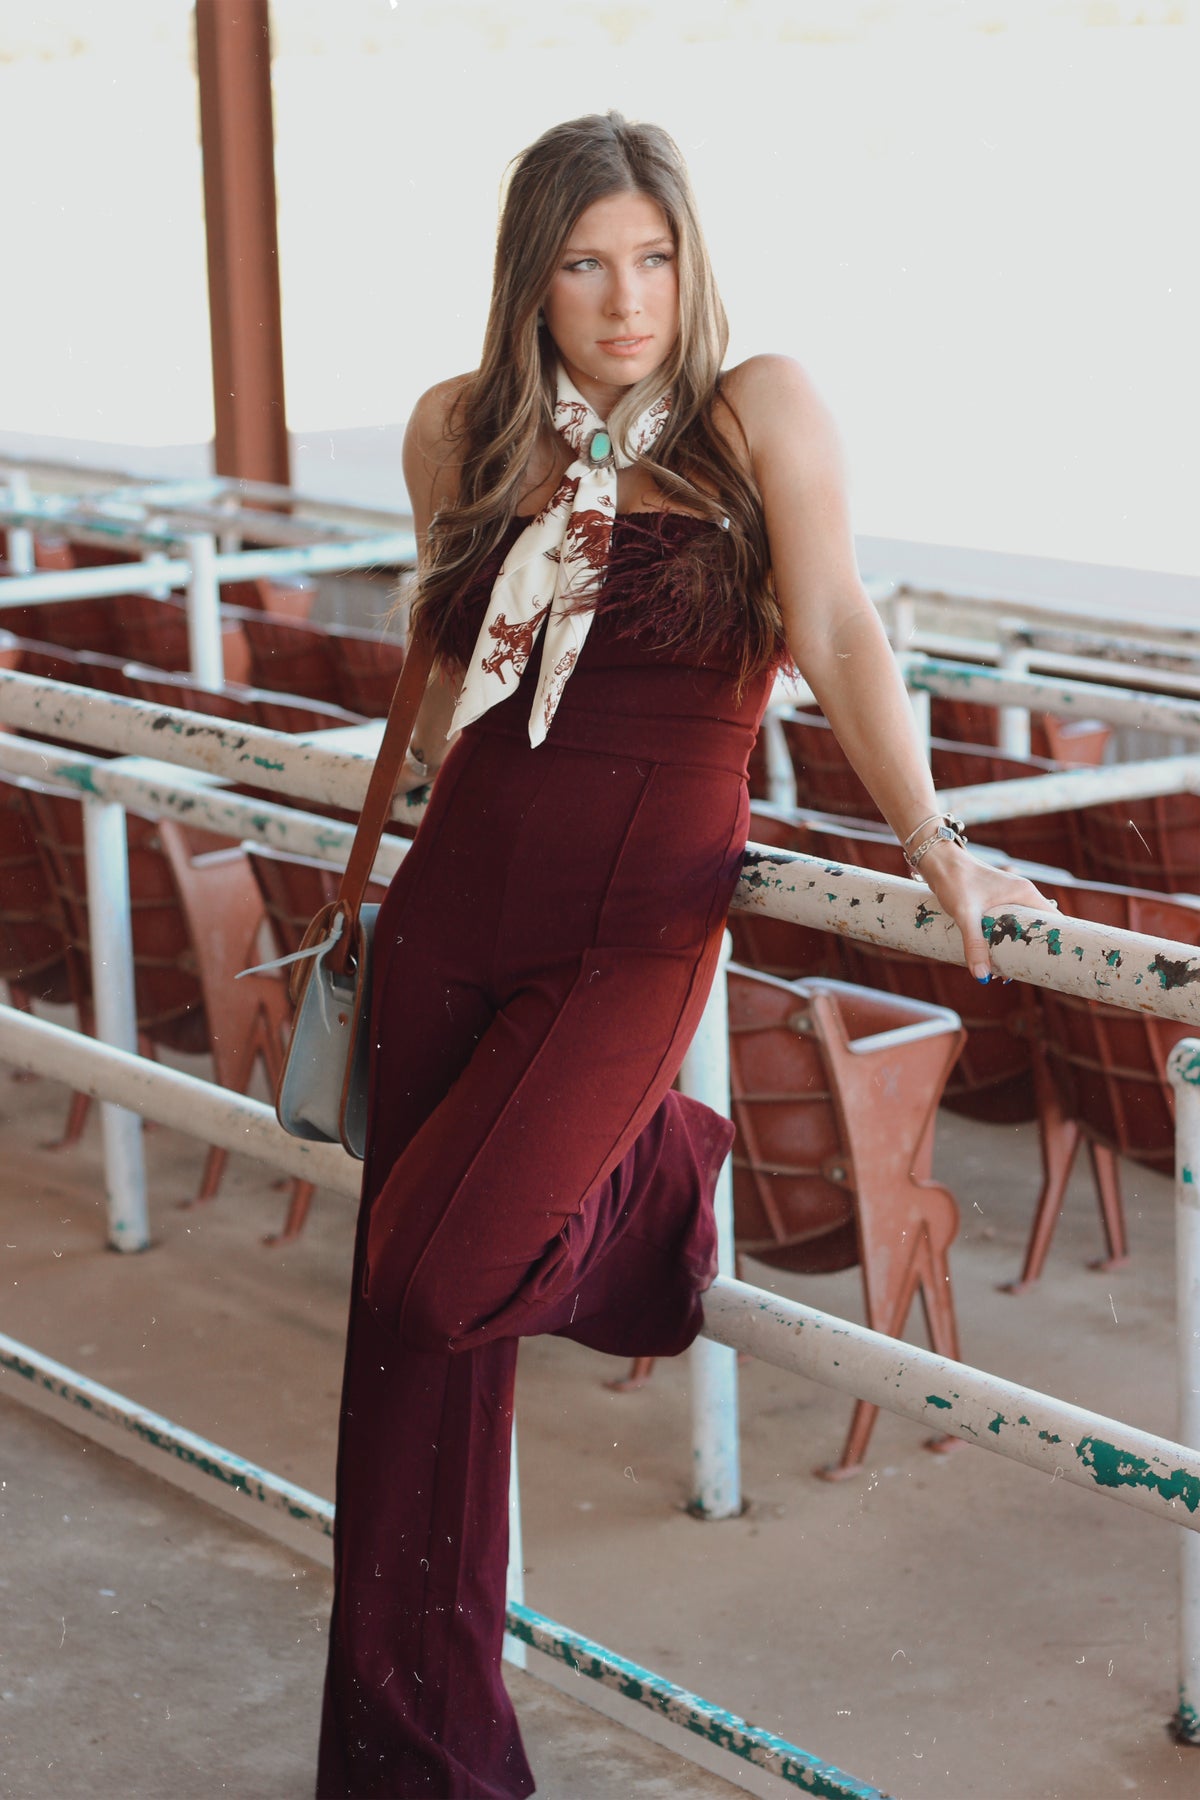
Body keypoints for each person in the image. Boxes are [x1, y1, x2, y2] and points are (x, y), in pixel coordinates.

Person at [316, 111, 1048, 1798]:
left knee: (439, 1270)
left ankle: (658, 1182)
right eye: (584, 263)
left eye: (651, 258)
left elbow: (841, 627)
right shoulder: (459, 428)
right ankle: (413, 1766)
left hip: (636, 923)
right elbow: (452, 685)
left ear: (690, 261)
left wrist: (934, 840)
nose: (624, 298)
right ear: (532, 278)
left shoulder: (756, 412)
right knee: (404, 1365)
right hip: (458, 897)